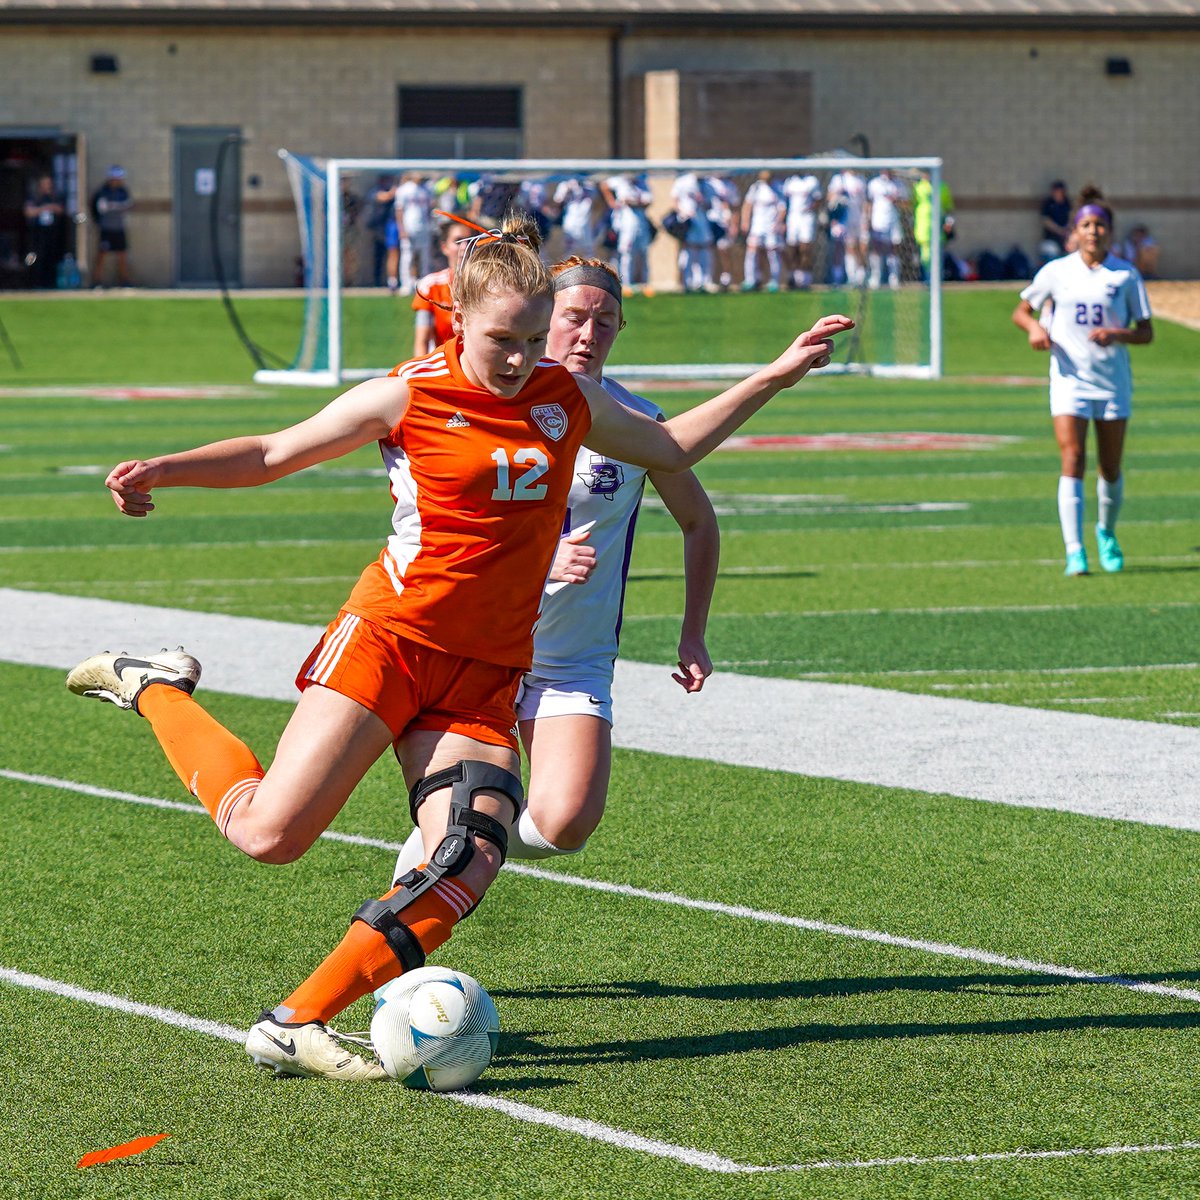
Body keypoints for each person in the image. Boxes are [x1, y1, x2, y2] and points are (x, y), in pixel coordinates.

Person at [66, 208, 851, 1081]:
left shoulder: (565, 399)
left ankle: (297, 1021)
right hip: (391, 640)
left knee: (471, 855)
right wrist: (160, 470)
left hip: (485, 673)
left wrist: (775, 376)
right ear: (457, 322)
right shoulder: (406, 393)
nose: (518, 359)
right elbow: (272, 451)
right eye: (501, 340)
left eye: (528, 340)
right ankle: (155, 686)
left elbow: (668, 447)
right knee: (271, 835)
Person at [390, 255, 718, 881]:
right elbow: (434, 517)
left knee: (566, 824)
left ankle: (442, 845)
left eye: (606, 321)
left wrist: (693, 629)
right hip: (480, 644)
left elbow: (699, 522)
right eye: (574, 318)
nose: (588, 334)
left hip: (573, 656)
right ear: (544, 317)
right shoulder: (487, 403)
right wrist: (539, 552)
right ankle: (438, 867)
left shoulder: (636, 420)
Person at [1011, 186, 1153, 576]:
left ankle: (1106, 533)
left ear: (1110, 231)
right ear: (1075, 231)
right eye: (1086, 225)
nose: (1093, 231)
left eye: (1100, 225)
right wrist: (1034, 331)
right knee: (1072, 459)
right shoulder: (1056, 271)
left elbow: (1146, 332)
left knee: (1110, 467)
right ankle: (1075, 550)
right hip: (1069, 380)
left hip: (1111, 382)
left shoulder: (1125, 274)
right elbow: (1022, 311)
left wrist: (1117, 334)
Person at [410, 214, 474, 358]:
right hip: (444, 362)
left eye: (470, 241)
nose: (464, 247)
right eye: (458, 241)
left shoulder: (490, 286)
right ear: (444, 247)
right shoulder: (430, 286)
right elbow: (422, 341)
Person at [600, 173, 654, 291]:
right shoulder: (620, 181)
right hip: (625, 225)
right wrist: (611, 202)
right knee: (626, 254)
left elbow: (648, 201)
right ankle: (626, 284)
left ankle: (645, 283)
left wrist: (634, 202)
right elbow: (604, 185)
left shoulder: (642, 183)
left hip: (642, 225)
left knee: (643, 253)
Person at [740, 171, 785, 292]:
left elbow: (782, 208)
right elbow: (747, 205)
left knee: (772, 252)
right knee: (752, 251)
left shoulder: (778, 187)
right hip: (757, 225)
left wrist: (779, 223)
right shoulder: (756, 187)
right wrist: (745, 221)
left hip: (771, 225)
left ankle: (774, 281)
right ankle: (750, 280)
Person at [865, 168, 908, 290]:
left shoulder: (899, 184)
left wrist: (897, 201)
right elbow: (869, 203)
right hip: (878, 220)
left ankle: (894, 278)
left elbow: (907, 204)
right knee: (876, 248)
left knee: (894, 248)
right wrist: (867, 220)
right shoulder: (874, 183)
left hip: (894, 221)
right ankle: (875, 277)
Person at [91, 166, 133, 288]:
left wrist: (113, 206)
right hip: (106, 228)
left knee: (122, 254)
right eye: (115, 178)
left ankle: (124, 280)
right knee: (102, 254)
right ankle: (97, 280)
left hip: (119, 228)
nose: (118, 181)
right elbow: (100, 208)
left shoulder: (123, 191)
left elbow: (127, 205)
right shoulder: (102, 191)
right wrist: (117, 207)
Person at [393, 174, 435, 295]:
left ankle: (426, 284)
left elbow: (429, 209)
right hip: (409, 227)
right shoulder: (404, 189)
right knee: (407, 256)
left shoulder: (427, 189)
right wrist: (402, 229)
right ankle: (406, 284)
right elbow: (399, 210)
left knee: (425, 257)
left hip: (424, 228)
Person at [24, 173, 67, 289]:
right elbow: (29, 212)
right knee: (37, 258)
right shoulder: (35, 198)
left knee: (52, 257)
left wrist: (52, 206)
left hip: (52, 233)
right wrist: (45, 208)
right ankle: (36, 282)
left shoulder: (55, 197)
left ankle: (51, 283)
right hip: (38, 234)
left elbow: (61, 210)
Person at [782, 167, 822, 290]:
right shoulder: (790, 182)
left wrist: (809, 209)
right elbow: (785, 201)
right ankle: (792, 277)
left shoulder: (811, 181)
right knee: (791, 248)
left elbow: (818, 199)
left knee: (805, 247)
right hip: (793, 218)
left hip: (806, 218)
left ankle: (805, 278)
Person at [826, 168, 867, 287]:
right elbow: (830, 197)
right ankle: (842, 276)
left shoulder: (861, 180)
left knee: (859, 246)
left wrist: (865, 218)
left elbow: (864, 201)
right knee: (841, 247)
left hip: (857, 218)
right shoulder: (838, 179)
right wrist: (838, 196)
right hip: (842, 218)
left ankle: (860, 276)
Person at [911, 169, 955, 281]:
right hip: (923, 229)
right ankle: (928, 279)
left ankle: (938, 280)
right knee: (925, 257)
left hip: (938, 228)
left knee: (938, 257)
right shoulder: (918, 188)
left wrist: (949, 222)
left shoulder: (942, 187)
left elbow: (948, 208)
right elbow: (912, 205)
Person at [1038, 180, 1072, 265]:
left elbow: (1072, 217)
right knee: (1051, 258)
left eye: (1060, 191)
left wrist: (1066, 229)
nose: (1058, 193)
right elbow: (1045, 220)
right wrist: (1059, 230)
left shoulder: (1067, 203)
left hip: (1065, 239)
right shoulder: (1049, 203)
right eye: (1056, 191)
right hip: (1051, 239)